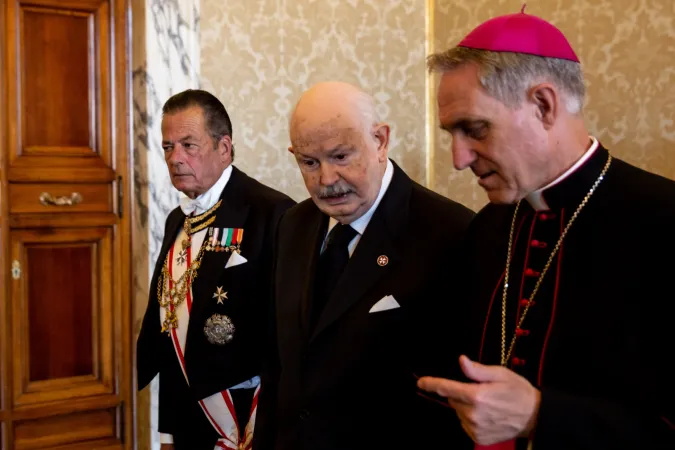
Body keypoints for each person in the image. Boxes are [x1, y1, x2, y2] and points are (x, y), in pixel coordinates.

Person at [417, 8, 675, 450]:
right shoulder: (486, 229)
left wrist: (542, 415)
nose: (459, 158)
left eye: (474, 129)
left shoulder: (663, 221)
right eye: (451, 134)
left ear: (544, 104)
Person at [253, 81, 475, 450]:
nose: (327, 180)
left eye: (341, 157)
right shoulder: (293, 224)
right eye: (309, 162)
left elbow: (455, 396)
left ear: (380, 141)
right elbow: (278, 368)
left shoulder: (450, 233)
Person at [136, 89, 295, 450]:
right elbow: (169, 325)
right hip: (185, 412)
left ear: (224, 149)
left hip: (244, 416)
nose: (175, 158)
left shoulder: (273, 212)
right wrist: (166, 429)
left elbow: (286, 330)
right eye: (167, 146)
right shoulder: (179, 218)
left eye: (189, 145)